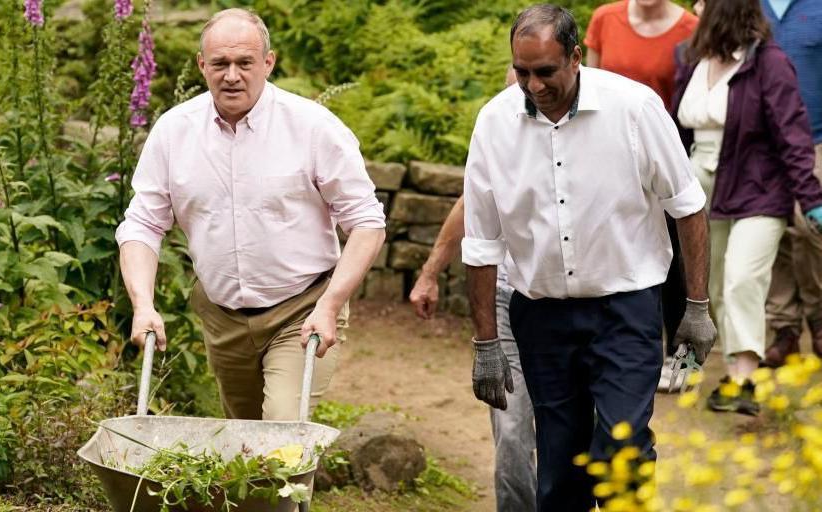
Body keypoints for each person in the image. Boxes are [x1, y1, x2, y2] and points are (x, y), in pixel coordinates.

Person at [464, 5, 715, 511]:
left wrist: (696, 306)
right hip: (541, 315)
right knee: (561, 464)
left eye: (545, 72)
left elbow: (687, 207)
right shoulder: (494, 122)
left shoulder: (636, 109)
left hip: (625, 310)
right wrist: (485, 342)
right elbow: (481, 242)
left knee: (620, 443)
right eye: (522, 72)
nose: (532, 86)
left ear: (576, 57)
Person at [115, 8, 386, 422]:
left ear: (268, 63)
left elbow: (366, 221)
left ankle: (290, 483)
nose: (232, 75)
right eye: (220, 64)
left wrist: (330, 304)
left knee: (281, 434)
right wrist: (142, 304)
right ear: (202, 65)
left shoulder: (313, 128)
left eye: (245, 63)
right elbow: (143, 224)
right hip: (222, 315)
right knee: (241, 440)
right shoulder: (174, 131)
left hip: (302, 307)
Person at [671, 0, 822, 415]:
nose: (696, 7)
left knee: (742, 278)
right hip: (701, 188)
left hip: (759, 187)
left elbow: (793, 135)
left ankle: (744, 380)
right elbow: (674, 130)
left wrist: (811, 201)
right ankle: (734, 368)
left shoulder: (769, 64)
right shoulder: (690, 59)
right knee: (715, 283)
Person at [409, 70, 536, 510]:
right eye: (515, 85)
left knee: (580, 427)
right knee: (513, 426)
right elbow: (468, 204)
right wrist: (429, 273)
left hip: (572, 304)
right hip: (505, 297)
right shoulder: (496, 135)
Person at [585, 0, 700, 392]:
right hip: (607, 159)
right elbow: (585, 86)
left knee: (679, 264)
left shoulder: (690, 27)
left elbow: (695, 97)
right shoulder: (605, 18)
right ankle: (617, 355)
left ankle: (686, 363)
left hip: (667, 156)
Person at [761, 0, 822, 367]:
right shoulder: (748, 7)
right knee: (774, 231)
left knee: (809, 226)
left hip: (816, 139)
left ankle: (818, 317)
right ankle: (784, 329)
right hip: (762, 143)